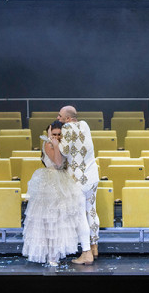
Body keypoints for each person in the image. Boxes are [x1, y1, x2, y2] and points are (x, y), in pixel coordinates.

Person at [21, 121, 92, 267]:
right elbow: (58, 163)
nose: (57, 137)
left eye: (59, 135)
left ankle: (56, 254)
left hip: (63, 180)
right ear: (49, 133)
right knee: (49, 220)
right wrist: (54, 143)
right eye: (54, 134)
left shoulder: (61, 144)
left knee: (61, 220)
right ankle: (51, 256)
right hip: (50, 182)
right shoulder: (48, 144)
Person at [58, 105, 99, 263]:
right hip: (92, 175)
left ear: (68, 119)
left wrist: (55, 140)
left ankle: (86, 253)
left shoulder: (67, 128)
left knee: (81, 214)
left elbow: (65, 151)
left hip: (79, 179)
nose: (58, 118)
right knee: (92, 211)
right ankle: (94, 247)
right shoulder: (85, 124)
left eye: (60, 116)